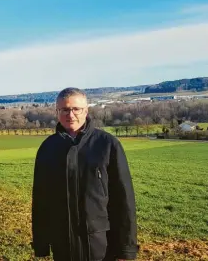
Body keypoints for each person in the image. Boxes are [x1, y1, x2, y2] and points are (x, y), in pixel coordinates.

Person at [31, 87, 138, 261]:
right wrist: (41, 243)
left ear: (86, 110)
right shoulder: (47, 149)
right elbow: (41, 200)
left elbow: (124, 199)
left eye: (76, 109)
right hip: (63, 245)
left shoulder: (107, 145)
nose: (70, 114)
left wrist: (126, 249)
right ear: (57, 112)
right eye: (64, 109)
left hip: (101, 244)